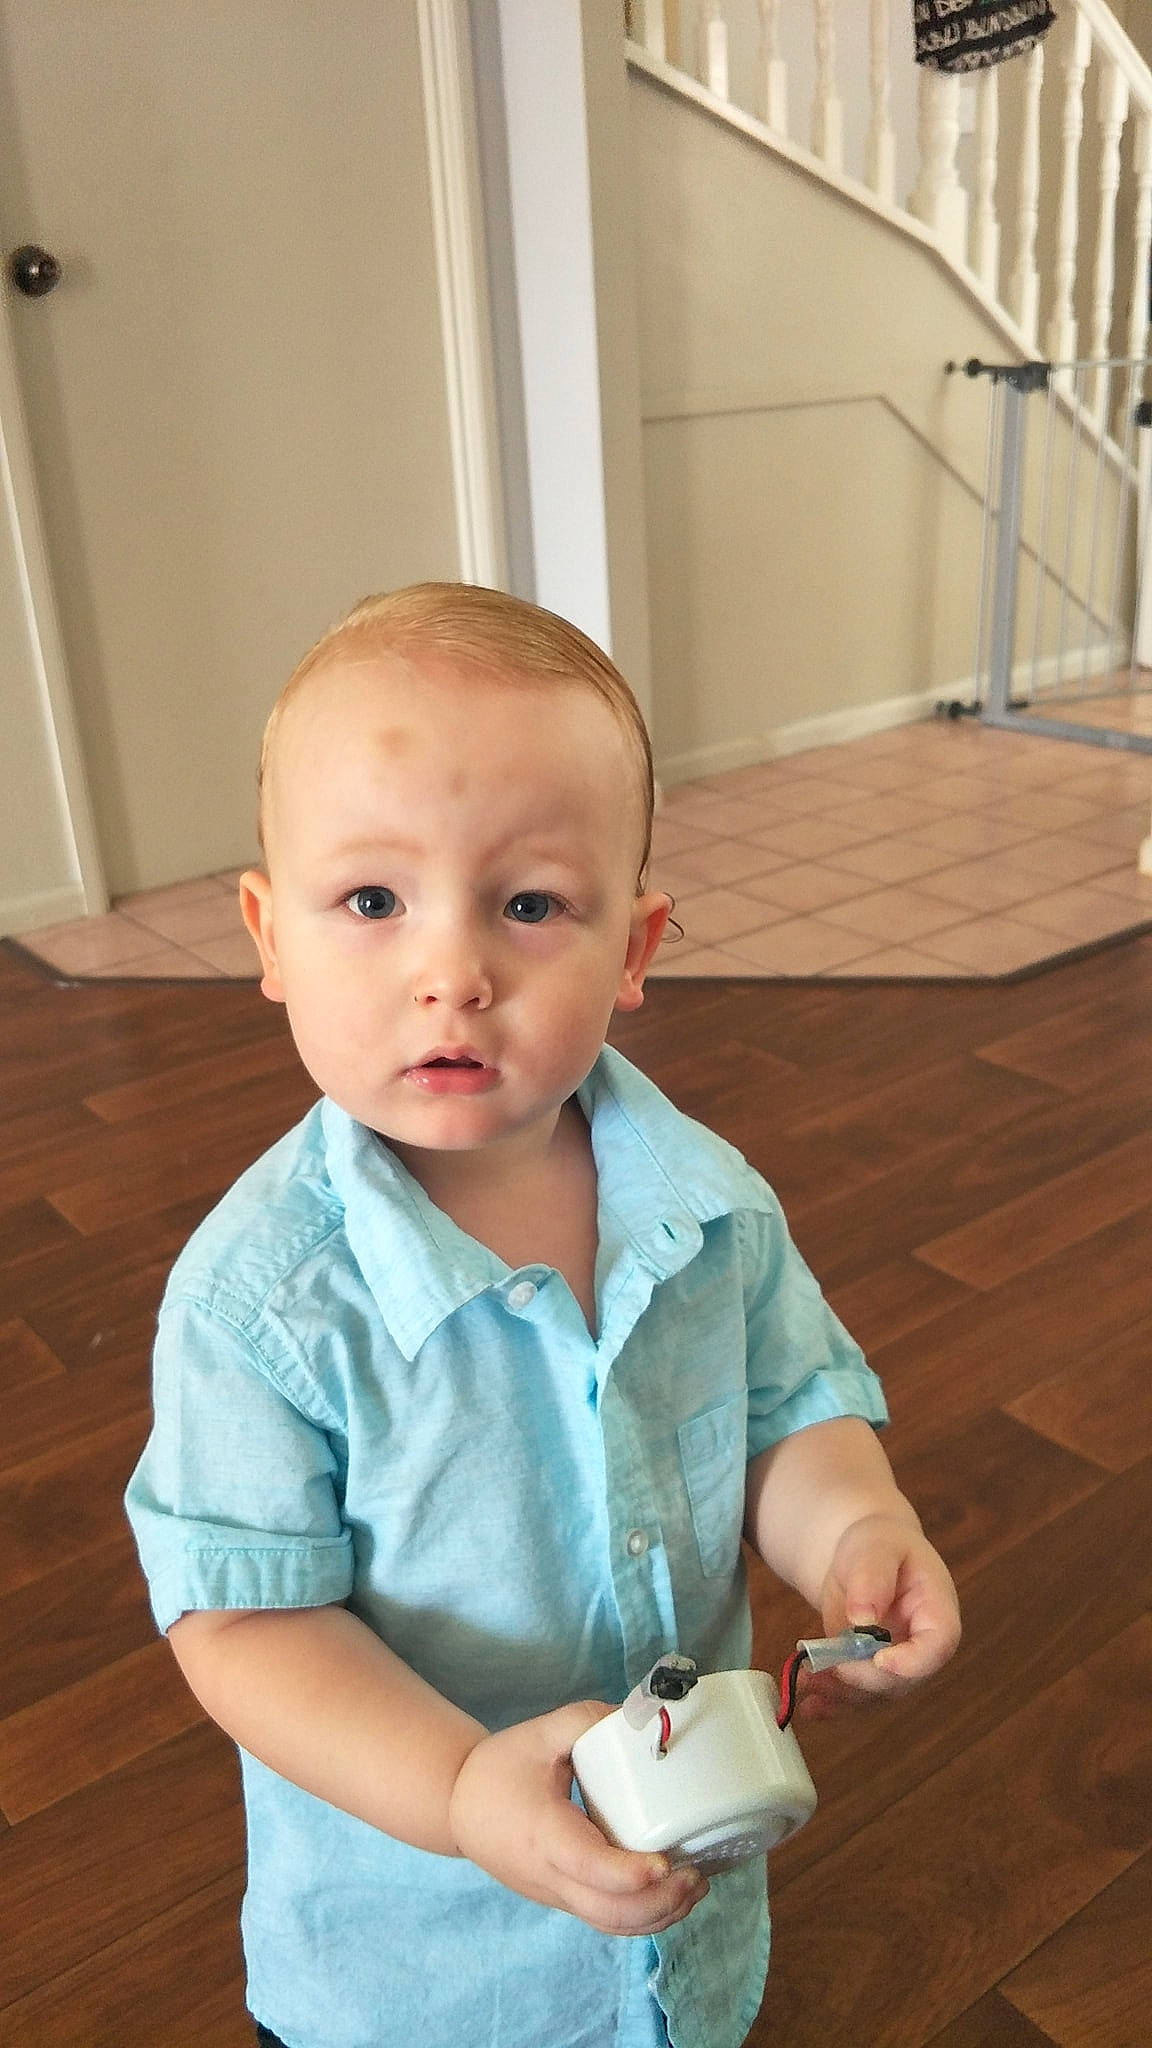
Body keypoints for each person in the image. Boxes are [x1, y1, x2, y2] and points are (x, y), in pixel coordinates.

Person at [125, 583, 961, 2048]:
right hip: (421, 1973)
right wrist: (457, 1786)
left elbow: (787, 1410)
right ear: (270, 932)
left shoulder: (710, 1206)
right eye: (372, 902)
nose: (453, 972)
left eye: (527, 905)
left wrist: (851, 1534)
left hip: (684, 1919)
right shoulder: (259, 1303)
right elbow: (245, 1624)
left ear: (632, 949)